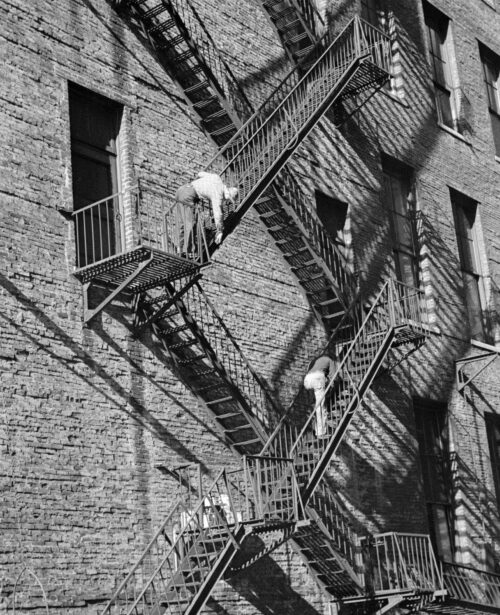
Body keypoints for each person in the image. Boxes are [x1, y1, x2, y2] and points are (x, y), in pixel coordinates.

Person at [173, 172, 238, 253]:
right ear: (228, 195)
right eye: (228, 200)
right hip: (189, 195)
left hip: (181, 190)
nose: (226, 201)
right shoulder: (218, 194)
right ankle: (185, 250)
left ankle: (178, 247)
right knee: (191, 223)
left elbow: (200, 174)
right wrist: (220, 231)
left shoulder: (217, 178)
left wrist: (198, 184)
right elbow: (218, 213)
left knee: (183, 222)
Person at [303, 354, 340, 437]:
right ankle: (321, 432)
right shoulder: (330, 360)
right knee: (321, 406)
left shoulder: (315, 361)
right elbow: (334, 377)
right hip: (317, 378)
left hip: (307, 380)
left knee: (317, 403)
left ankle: (314, 411)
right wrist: (333, 385)